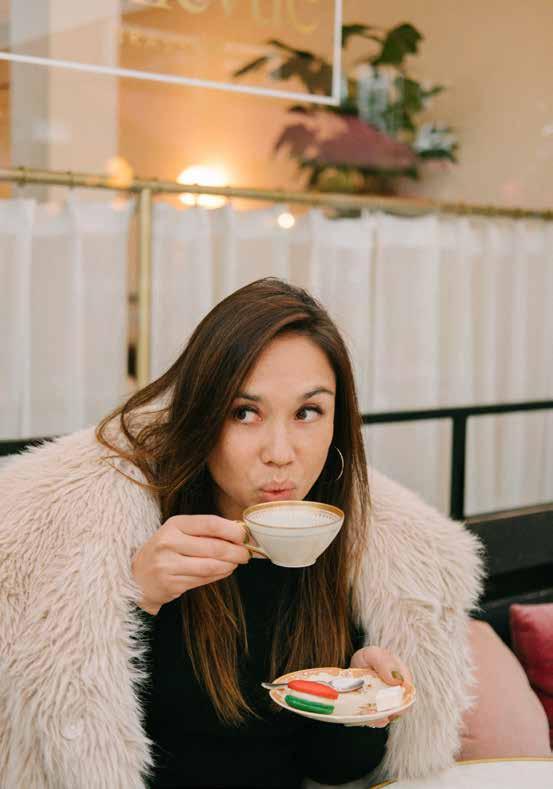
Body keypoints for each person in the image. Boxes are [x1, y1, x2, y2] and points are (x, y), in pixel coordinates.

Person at [0, 278, 485, 789]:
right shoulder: (126, 532)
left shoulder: (353, 550)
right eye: (244, 413)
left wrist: (360, 703)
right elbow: (66, 739)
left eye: (307, 412)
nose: (280, 452)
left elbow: (331, 769)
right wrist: (133, 599)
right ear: (202, 417)